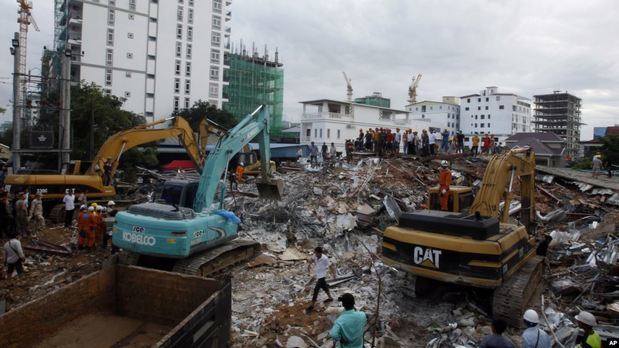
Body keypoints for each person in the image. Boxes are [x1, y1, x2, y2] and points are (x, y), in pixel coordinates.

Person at [306, 246, 335, 312]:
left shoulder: (325, 258)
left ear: (320, 253)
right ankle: (330, 297)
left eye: (316, 253)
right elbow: (312, 259)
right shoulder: (315, 256)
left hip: (322, 275)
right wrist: (309, 265)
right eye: (315, 253)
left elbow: (331, 266)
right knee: (324, 287)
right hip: (317, 274)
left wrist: (334, 274)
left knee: (316, 289)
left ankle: (312, 304)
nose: (315, 254)